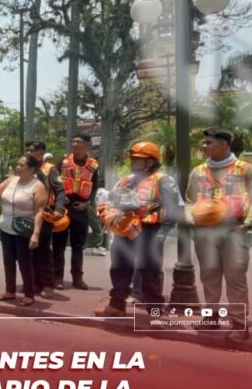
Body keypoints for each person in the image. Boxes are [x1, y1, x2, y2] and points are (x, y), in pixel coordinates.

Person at [94, 141, 178, 318]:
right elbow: (114, 200)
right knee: (119, 268)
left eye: (138, 159)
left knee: (151, 272)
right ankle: (116, 305)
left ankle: (156, 312)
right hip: (125, 229)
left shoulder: (163, 180)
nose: (133, 161)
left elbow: (173, 210)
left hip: (150, 230)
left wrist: (162, 234)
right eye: (132, 158)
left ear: (150, 161)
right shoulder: (127, 179)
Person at [185, 128, 251, 343]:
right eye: (203, 143)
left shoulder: (245, 170)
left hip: (234, 230)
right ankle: (211, 316)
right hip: (205, 232)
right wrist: (190, 218)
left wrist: (247, 225)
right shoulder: (197, 172)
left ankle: (239, 324)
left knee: (235, 278)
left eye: (209, 143)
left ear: (224, 144)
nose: (204, 146)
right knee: (209, 275)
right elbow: (189, 201)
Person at [0, 154, 47, 307]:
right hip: (6, 228)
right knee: (8, 261)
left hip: (23, 231)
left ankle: (29, 294)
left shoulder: (37, 186)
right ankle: (10, 291)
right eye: (17, 164)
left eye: (21, 165)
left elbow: (39, 211)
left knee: (24, 263)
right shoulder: (11, 180)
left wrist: (36, 234)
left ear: (31, 169)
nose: (18, 167)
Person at [53, 133, 99, 290]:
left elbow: (96, 186)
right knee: (58, 245)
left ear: (86, 145)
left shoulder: (93, 164)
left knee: (78, 246)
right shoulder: (63, 160)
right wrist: (60, 198)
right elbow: (54, 181)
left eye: (78, 142)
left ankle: (77, 278)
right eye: (72, 141)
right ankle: (57, 277)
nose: (74, 144)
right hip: (63, 207)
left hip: (81, 208)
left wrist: (88, 203)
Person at [26, 141, 67, 298]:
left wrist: (59, 209)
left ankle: (48, 284)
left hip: (44, 213)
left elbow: (60, 190)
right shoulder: (25, 168)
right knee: (29, 250)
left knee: (43, 250)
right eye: (28, 151)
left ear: (41, 152)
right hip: (27, 214)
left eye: (32, 151)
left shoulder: (50, 169)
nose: (29, 153)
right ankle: (35, 283)